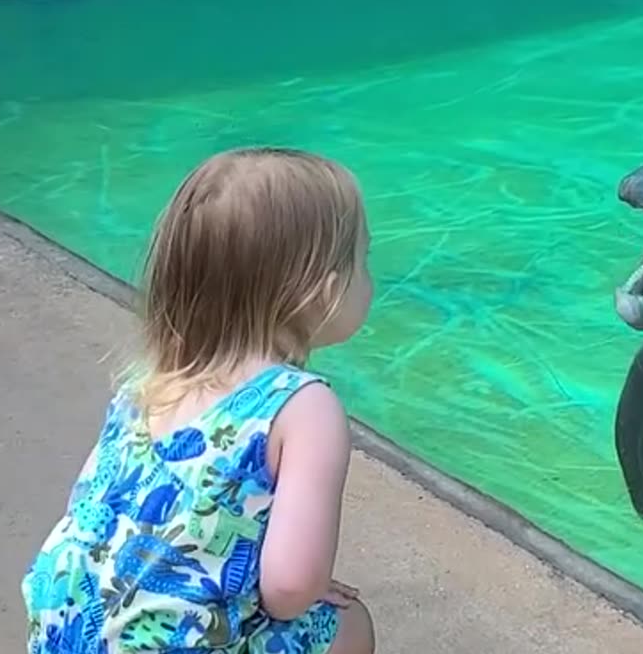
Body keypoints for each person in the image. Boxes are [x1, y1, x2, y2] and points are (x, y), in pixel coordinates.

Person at [21, 146, 378, 654]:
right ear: (324, 290)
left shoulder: (147, 386)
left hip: (66, 636)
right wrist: (304, 586)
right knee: (345, 626)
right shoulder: (302, 408)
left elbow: (98, 522)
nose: (369, 279)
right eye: (363, 260)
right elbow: (291, 589)